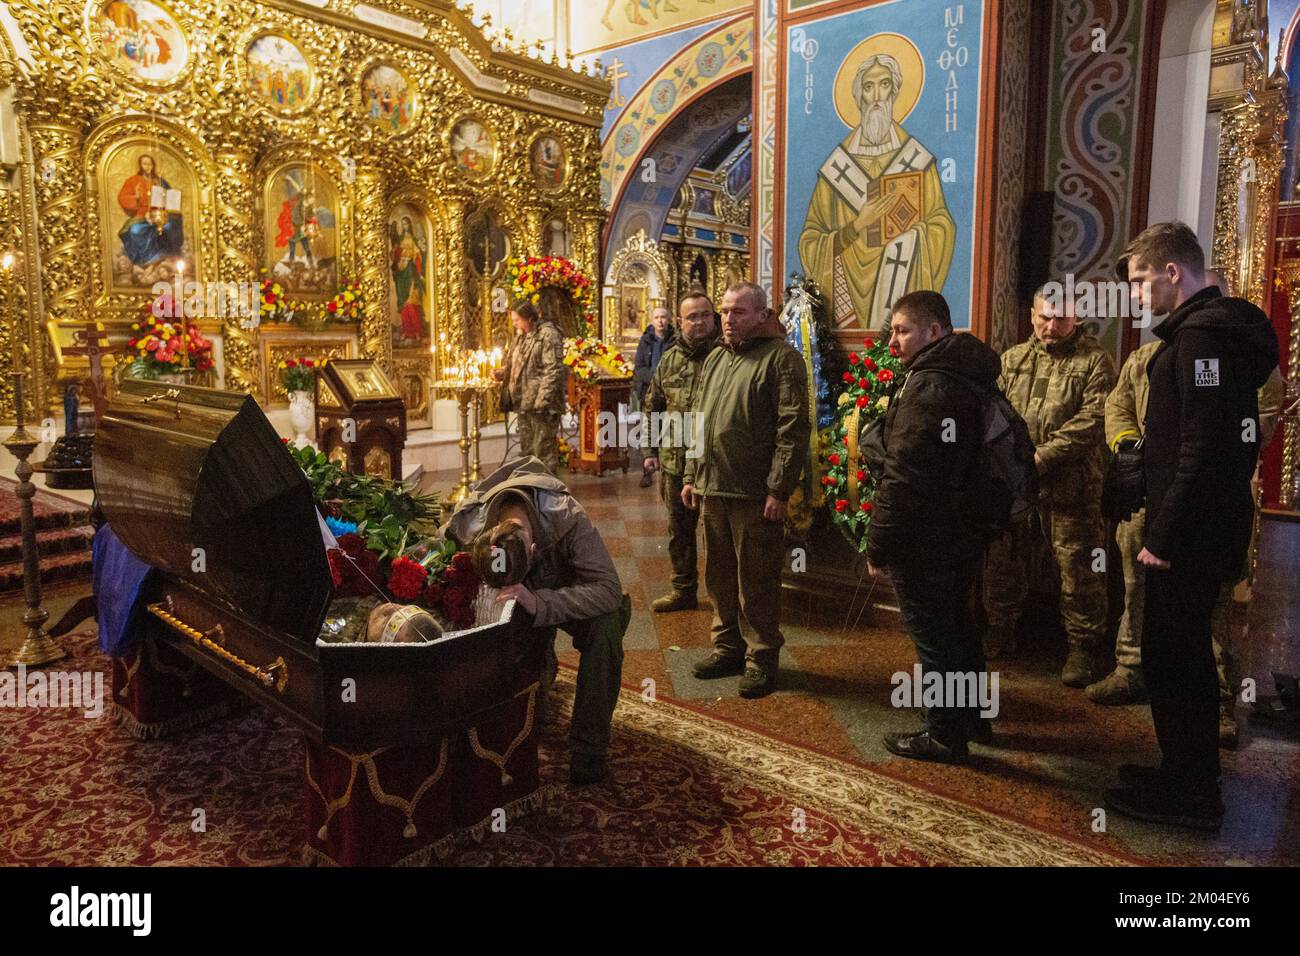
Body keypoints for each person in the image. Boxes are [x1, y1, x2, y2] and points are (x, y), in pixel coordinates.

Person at [1103, 221, 1278, 830]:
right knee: (1170, 654)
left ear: (1172, 272)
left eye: (1143, 280)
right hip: (1199, 527)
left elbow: (1204, 448)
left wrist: (1163, 536)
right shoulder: (1204, 336)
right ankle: (1181, 771)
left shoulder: (1203, 343)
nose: (1139, 294)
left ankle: (1193, 795)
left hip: (1191, 535)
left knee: (1178, 658)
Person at [865, 290, 1001, 761]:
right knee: (960, 626)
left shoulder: (930, 385)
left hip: (927, 536)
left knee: (934, 636)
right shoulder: (964, 374)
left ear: (934, 331)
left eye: (902, 330)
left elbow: (906, 474)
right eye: (893, 330)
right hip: (961, 529)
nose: (893, 340)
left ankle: (945, 733)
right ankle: (974, 718)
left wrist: (877, 543)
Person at [443, 456, 628, 785]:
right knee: (526, 719)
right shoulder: (470, 524)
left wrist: (539, 602)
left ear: (532, 548)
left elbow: (609, 589)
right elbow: (432, 561)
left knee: (607, 626)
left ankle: (589, 750)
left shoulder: (567, 518)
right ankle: (537, 667)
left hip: (568, 594)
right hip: (515, 601)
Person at [681, 283, 810, 698]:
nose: (727, 319)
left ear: (761, 315)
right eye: (724, 311)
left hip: (755, 492)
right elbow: (699, 420)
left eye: (738, 312)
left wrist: (779, 488)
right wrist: (689, 474)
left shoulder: (782, 359)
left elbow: (792, 429)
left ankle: (761, 657)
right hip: (714, 486)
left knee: (755, 580)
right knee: (718, 577)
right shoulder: (717, 356)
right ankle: (727, 648)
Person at [983, 284, 1116, 686]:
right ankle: (1001, 629)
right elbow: (995, 413)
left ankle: (1084, 648)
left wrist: (1042, 458)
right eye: (1045, 317)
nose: (1052, 325)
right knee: (1005, 560)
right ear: (1032, 316)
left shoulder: (1095, 361)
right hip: (1016, 486)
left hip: (1073, 487)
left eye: (1061, 317)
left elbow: (1094, 421)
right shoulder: (1012, 359)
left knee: (1080, 571)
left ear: (1076, 316)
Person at [640, 293, 720, 612]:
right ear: (680, 322)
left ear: (713, 318)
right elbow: (652, 407)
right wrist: (650, 450)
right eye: (692, 317)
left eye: (705, 315)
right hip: (675, 459)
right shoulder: (670, 359)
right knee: (679, 531)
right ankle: (683, 589)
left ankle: (722, 597)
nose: (699, 322)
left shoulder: (724, 356)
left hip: (715, 462)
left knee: (717, 535)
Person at [493, 299, 567, 476]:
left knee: (543, 451)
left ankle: (547, 490)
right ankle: (531, 487)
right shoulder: (521, 336)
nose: (514, 323)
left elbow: (553, 369)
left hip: (542, 406)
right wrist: (503, 373)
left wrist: (542, 400)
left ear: (529, 318)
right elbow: (518, 363)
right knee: (528, 451)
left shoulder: (548, 335)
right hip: (524, 402)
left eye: (517, 319)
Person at [633, 306, 676, 487]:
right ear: (652, 320)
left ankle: (668, 471)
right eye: (657, 317)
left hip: (669, 392)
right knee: (648, 430)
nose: (660, 321)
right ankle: (647, 470)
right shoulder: (645, 341)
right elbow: (639, 367)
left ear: (669, 319)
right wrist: (655, 379)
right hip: (649, 391)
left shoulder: (675, 341)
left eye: (663, 317)